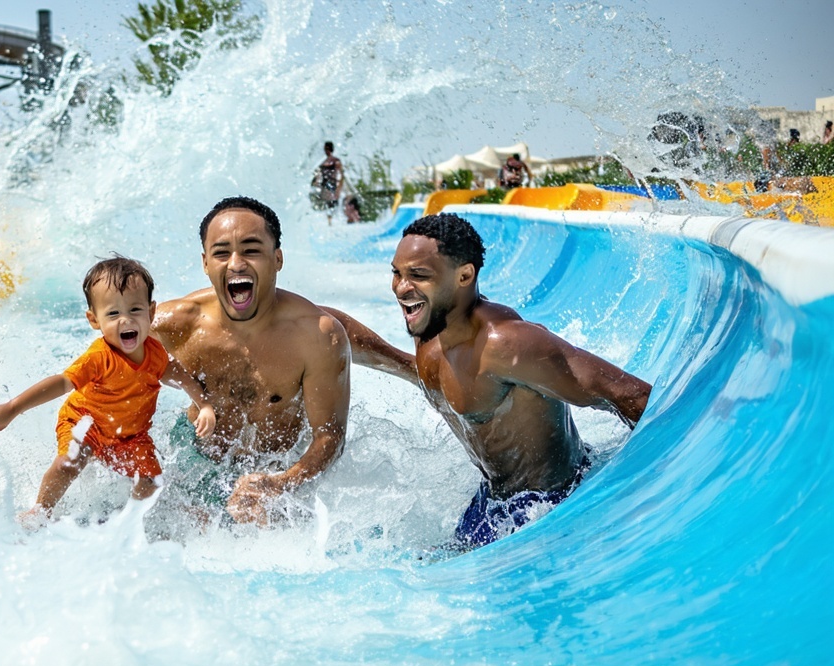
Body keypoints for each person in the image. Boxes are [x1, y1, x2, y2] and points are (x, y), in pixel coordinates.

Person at [325, 213, 651, 550]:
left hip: (552, 506)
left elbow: (631, 395)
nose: (402, 288)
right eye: (397, 273)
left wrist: (651, 489)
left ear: (465, 275)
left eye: (418, 275)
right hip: (492, 504)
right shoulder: (431, 331)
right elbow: (431, 376)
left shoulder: (506, 344)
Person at [152, 196, 353, 526]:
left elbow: (329, 437)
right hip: (195, 462)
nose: (235, 264)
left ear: (277, 259)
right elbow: (102, 372)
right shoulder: (177, 325)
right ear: (205, 263)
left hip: (277, 468)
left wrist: (280, 484)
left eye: (251, 249)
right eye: (221, 253)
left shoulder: (315, 335)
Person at [0, 257, 216, 530]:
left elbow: (180, 376)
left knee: (150, 483)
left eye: (135, 309)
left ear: (151, 313)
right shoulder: (98, 358)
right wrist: (12, 408)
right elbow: (60, 383)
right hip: (84, 422)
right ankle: (40, 510)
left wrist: (204, 404)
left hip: (131, 436)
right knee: (71, 461)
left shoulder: (156, 354)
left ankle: (130, 526)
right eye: (113, 314)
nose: (125, 319)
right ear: (94, 319)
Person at [311, 142, 345, 222]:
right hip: (324, 185)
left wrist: (339, 188)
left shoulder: (335, 161)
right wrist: (315, 181)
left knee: (332, 205)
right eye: (325, 149)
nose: (325, 151)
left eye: (327, 149)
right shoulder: (323, 162)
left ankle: (331, 222)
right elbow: (318, 174)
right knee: (324, 205)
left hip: (332, 185)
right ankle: (327, 222)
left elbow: (342, 175)